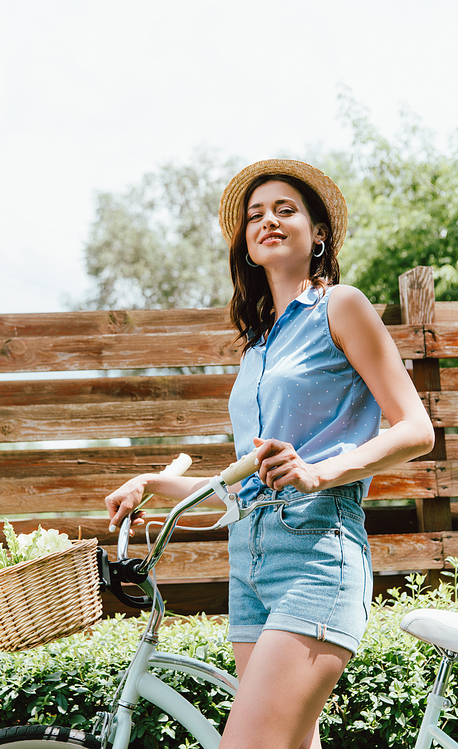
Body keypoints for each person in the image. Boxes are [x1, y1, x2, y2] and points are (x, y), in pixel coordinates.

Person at [105, 159, 435, 749]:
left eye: (286, 209)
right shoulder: (256, 348)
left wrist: (320, 472)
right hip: (250, 565)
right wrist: (153, 482)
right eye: (256, 215)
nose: (269, 221)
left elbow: (416, 429)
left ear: (319, 233)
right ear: (246, 243)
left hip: (316, 555)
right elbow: (245, 483)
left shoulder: (342, 307)